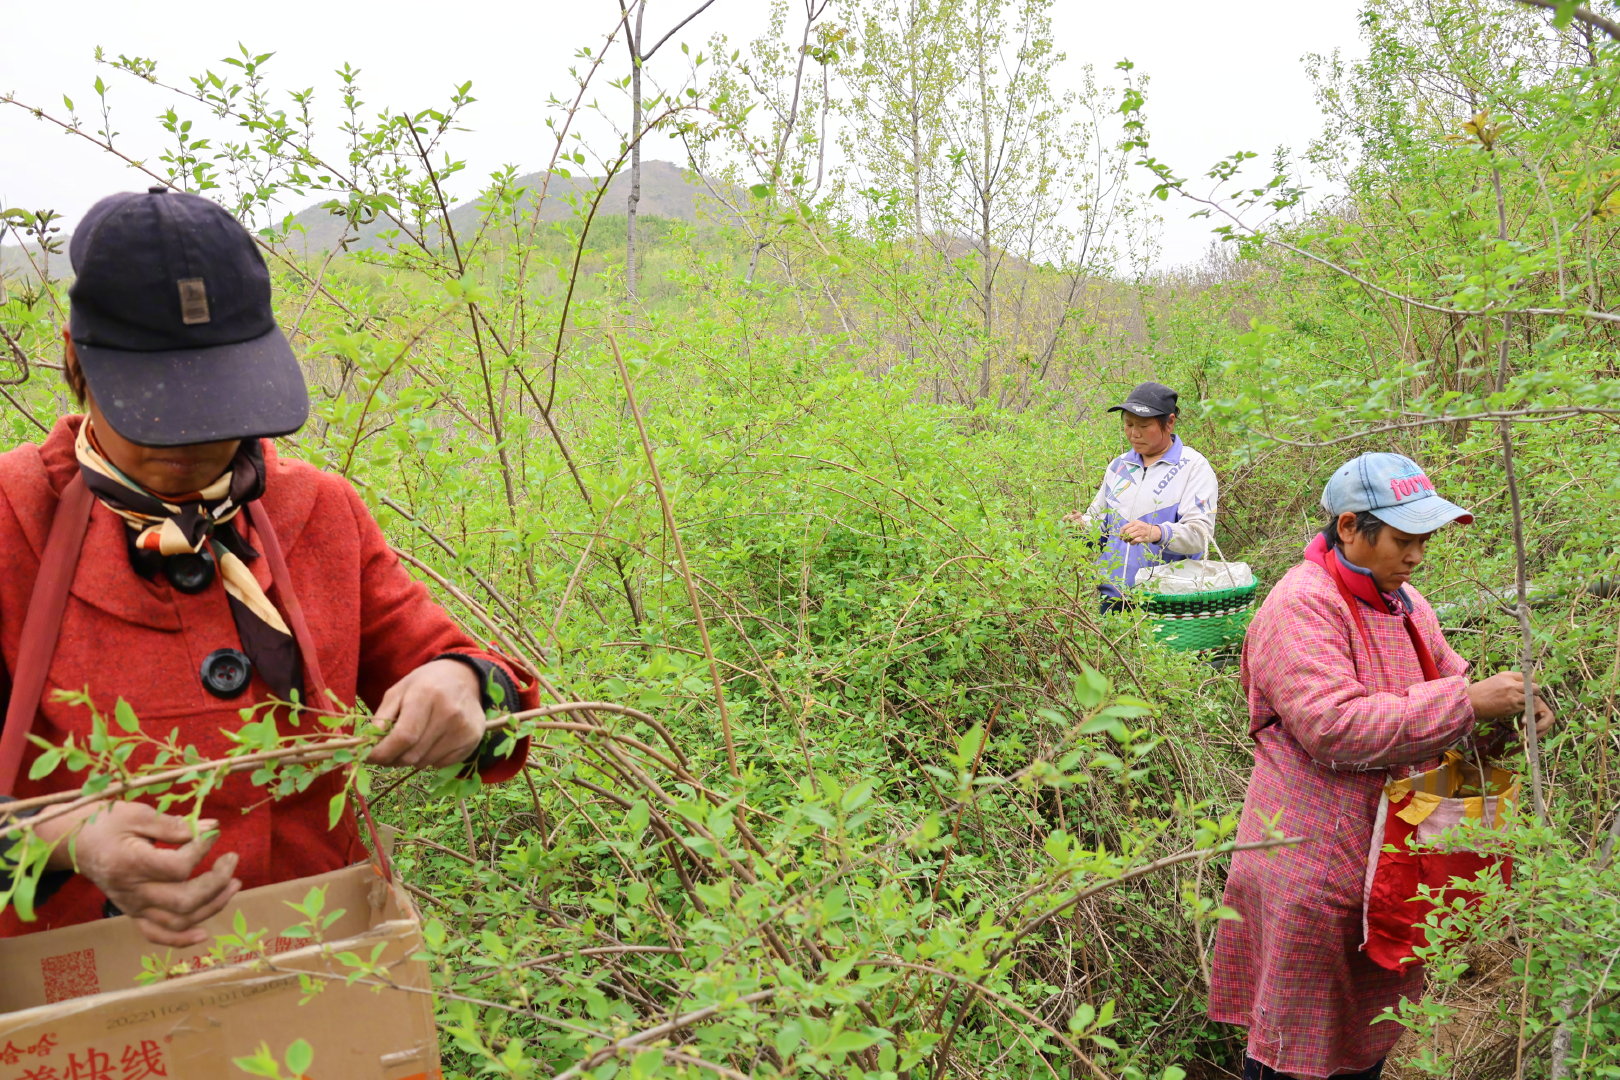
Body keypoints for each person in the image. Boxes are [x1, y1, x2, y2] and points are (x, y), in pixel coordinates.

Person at [0, 187, 538, 947]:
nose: (189, 440)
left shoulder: (317, 511)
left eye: (216, 404)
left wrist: (462, 685)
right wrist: (69, 837)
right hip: (90, 988)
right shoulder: (12, 521)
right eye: (155, 404)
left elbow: (485, 683)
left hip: (323, 956)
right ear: (74, 361)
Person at [1208, 453, 1555, 1079]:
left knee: (1363, 1046)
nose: (1417, 555)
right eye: (1402, 540)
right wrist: (1466, 703)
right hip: (1313, 868)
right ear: (1348, 527)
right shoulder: (1301, 606)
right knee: (1293, 1047)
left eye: (1424, 540)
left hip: (1388, 866)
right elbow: (1332, 727)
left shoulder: (1406, 601)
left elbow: (1451, 687)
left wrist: (1508, 711)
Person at [1064, 381, 1219, 609]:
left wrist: (1157, 532)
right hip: (1113, 599)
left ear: (1170, 423)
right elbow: (1099, 525)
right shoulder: (1119, 467)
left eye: (1144, 426)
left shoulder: (1192, 466)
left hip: (1166, 601)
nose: (1134, 433)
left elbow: (1201, 536)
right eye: (1128, 424)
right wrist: (1080, 526)